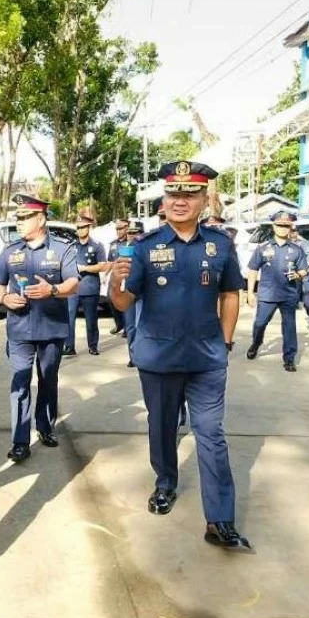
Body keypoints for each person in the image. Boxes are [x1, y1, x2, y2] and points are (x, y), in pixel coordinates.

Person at [110, 160, 251, 551]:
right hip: (158, 356)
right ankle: (165, 482)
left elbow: (229, 294)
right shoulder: (144, 248)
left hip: (207, 357)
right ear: (163, 200)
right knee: (162, 427)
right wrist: (114, 277)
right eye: (173, 193)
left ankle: (220, 518)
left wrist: (225, 343)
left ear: (204, 200)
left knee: (211, 434)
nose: (180, 201)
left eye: (189, 194)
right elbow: (123, 301)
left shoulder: (220, 245)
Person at [0, 194, 80, 462]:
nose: (18, 222)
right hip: (18, 330)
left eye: (24, 217)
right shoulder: (10, 251)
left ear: (40, 219)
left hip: (51, 329)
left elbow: (73, 283)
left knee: (47, 380)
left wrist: (52, 289)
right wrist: (5, 298)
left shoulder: (63, 249)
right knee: (20, 382)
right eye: (17, 218)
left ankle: (45, 426)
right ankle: (20, 441)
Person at [246, 211, 308, 371]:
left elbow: (304, 270)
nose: (283, 229)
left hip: (289, 294)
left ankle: (289, 358)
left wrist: (298, 274)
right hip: (267, 294)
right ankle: (256, 343)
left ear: (290, 228)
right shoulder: (263, 248)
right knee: (260, 323)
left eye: (286, 226)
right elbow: (252, 270)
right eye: (280, 225)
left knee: (289, 326)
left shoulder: (296, 249)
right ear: (274, 226)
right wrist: (250, 293)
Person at [69, 213, 106, 356]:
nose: (80, 230)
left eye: (83, 227)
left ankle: (93, 345)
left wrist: (84, 268)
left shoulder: (97, 246)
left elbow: (102, 265)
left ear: (88, 228)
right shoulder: (72, 246)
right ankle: (69, 346)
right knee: (69, 317)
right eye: (78, 227)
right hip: (73, 288)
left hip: (90, 287)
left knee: (91, 319)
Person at [124, 219, 145, 368]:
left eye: (136, 233)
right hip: (128, 291)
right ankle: (133, 357)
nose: (132, 236)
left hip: (144, 292)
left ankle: (142, 355)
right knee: (131, 326)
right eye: (130, 233)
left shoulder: (148, 248)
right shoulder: (123, 249)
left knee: (141, 325)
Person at [107, 218, 131, 336]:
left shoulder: (130, 242)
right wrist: (105, 274)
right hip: (115, 276)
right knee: (110, 299)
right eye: (117, 228)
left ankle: (127, 327)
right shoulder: (113, 244)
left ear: (127, 228)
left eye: (120, 228)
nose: (118, 231)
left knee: (125, 300)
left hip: (126, 275)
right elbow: (110, 261)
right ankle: (119, 324)